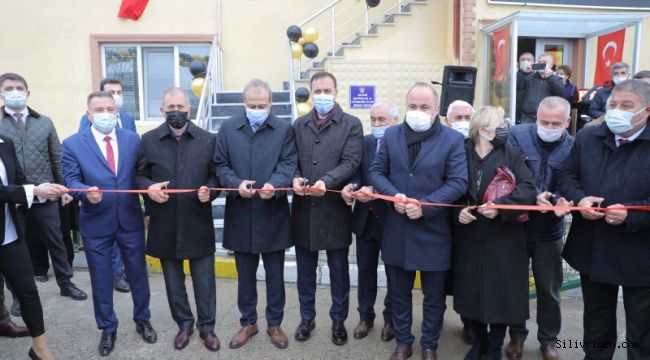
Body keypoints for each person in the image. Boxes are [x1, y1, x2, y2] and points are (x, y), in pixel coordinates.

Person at [369, 82, 468, 360]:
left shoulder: (452, 139)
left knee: (434, 298)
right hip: (397, 229)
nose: (418, 111)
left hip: (433, 230)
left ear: (437, 109)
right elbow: (377, 172)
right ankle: (403, 342)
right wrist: (394, 196)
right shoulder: (390, 135)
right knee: (399, 294)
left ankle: (429, 345)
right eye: (413, 106)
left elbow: (458, 181)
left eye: (424, 107)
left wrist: (426, 206)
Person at [556, 79, 650, 359]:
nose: (617, 111)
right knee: (596, 322)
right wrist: (579, 198)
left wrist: (632, 215)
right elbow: (566, 174)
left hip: (641, 253)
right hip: (594, 247)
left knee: (642, 327)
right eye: (613, 105)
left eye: (626, 105)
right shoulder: (589, 137)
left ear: (646, 111)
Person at [62, 91, 156, 357]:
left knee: (138, 275)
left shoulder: (132, 140)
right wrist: (84, 191)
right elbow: (71, 180)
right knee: (101, 279)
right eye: (99, 109)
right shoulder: (72, 144)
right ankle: (107, 328)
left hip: (130, 220)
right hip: (96, 223)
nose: (105, 113)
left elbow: (141, 177)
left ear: (117, 112)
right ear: (89, 114)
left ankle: (142, 320)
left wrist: (148, 210)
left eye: (110, 109)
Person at [214, 79, 297, 350]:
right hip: (241, 212)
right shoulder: (228, 128)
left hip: (272, 213)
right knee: (245, 275)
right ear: (244, 103)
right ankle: (248, 322)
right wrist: (236, 184)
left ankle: (274, 323)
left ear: (271, 104)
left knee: (275, 275)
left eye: (262, 105)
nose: (257, 110)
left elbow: (289, 162)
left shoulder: (284, 129)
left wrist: (276, 183)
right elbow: (220, 164)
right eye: (252, 105)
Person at [136, 87, 220, 352]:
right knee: (173, 281)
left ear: (189, 109)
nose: (176, 112)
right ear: (162, 110)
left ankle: (207, 328)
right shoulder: (148, 140)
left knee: (204, 281)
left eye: (180, 107)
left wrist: (211, 191)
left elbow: (217, 176)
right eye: (170, 108)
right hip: (164, 223)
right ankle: (184, 324)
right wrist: (148, 187)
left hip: (198, 220)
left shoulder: (208, 139)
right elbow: (138, 176)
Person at [452, 106, 536, 360]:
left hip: (504, 238)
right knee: (472, 292)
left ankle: (493, 346)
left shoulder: (511, 153)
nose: (503, 130)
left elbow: (528, 189)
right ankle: (478, 341)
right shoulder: (460, 152)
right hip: (469, 237)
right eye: (498, 126)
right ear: (482, 129)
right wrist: (456, 212)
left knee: (502, 295)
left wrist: (501, 209)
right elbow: (447, 187)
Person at [0, 72, 87, 315]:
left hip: (46, 193)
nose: (14, 92)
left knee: (56, 241)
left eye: (19, 88)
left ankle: (66, 282)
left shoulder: (44, 122)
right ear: (1, 93)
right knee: (17, 247)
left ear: (28, 93)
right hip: (13, 198)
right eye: (9, 88)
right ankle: (19, 295)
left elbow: (56, 157)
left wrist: (65, 189)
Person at [291, 71, 363, 346]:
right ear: (310, 93)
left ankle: (338, 321)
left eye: (327, 90)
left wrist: (326, 181)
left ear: (336, 91)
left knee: (339, 271)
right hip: (304, 209)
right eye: (317, 90)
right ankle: (306, 318)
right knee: (305, 272)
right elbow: (291, 159)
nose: (322, 95)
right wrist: (294, 177)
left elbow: (351, 162)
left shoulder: (352, 125)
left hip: (335, 209)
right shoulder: (298, 125)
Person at [506, 97, 575, 360]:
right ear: (536, 117)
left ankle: (548, 340)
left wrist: (559, 198)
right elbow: (508, 174)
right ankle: (517, 336)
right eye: (543, 121)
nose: (548, 126)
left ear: (567, 122)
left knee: (549, 289)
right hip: (517, 226)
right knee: (515, 286)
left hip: (549, 230)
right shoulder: (517, 135)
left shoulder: (573, 145)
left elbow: (572, 179)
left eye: (555, 123)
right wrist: (533, 195)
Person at [0, 135, 66, 360]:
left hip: (8, 235)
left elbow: (17, 181)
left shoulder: (4, 142)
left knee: (28, 292)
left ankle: (40, 349)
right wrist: (35, 191)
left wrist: (43, 189)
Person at [340, 101, 398, 342]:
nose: (376, 124)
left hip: (393, 220)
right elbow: (355, 172)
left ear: (395, 120)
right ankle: (366, 316)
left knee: (395, 274)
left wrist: (378, 188)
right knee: (365, 271)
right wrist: (352, 187)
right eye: (373, 119)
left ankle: (391, 319)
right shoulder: (364, 143)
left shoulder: (402, 143)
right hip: (366, 218)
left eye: (381, 120)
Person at [79, 78, 137, 294]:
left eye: (119, 92)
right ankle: (114, 274)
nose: (116, 95)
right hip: (99, 203)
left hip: (127, 206)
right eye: (111, 92)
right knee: (108, 249)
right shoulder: (88, 124)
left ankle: (123, 272)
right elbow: (83, 154)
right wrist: (86, 191)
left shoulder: (128, 122)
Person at [444, 99, 476, 345]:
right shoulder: (439, 143)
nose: (463, 123)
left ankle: (469, 323)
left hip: (470, 222)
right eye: (458, 118)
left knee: (467, 276)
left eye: (468, 118)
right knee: (440, 277)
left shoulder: (480, 146)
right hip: (440, 219)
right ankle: (435, 321)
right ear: (447, 120)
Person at [518, 54, 565, 123]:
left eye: (544, 62)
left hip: (547, 117)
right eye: (540, 62)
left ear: (551, 65)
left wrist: (550, 77)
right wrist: (524, 73)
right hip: (528, 116)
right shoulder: (529, 77)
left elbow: (561, 92)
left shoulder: (556, 79)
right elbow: (518, 87)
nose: (541, 64)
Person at [515, 52, 535, 123]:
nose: (525, 61)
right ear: (519, 63)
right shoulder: (514, 75)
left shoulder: (538, 76)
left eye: (528, 60)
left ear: (533, 62)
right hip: (515, 112)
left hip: (531, 116)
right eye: (523, 60)